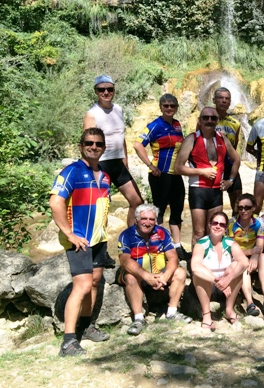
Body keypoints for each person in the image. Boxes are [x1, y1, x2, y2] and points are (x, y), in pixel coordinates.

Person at [50, 127, 112, 356]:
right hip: (78, 239)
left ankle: (86, 327)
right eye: (89, 143)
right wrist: (69, 234)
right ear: (81, 146)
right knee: (83, 285)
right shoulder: (72, 171)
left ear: (103, 148)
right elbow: (56, 202)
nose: (93, 147)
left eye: (98, 144)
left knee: (95, 281)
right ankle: (68, 341)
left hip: (97, 239)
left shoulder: (105, 174)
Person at [117, 204, 191, 336]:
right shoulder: (126, 235)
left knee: (180, 272)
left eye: (151, 219)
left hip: (160, 272)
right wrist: (146, 276)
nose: (147, 223)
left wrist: (165, 276)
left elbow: (173, 257)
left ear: (156, 220)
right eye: (144, 219)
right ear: (136, 220)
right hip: (139, 274)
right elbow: (125, 261)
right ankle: (139, 318)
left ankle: (172, 312)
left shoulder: (162, 232)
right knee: (130, 277)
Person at [175, 106, 240, 249]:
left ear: (217, 121)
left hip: (216, 192)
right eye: (205, 118)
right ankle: (195, 266)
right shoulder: (192, 139)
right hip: (198, 191)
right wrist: (202, 172)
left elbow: (236, 159)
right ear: (200, 120)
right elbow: (178, 167)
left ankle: (212, 264)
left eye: (213, 118)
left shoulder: (222, 139)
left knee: (216, 231)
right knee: (199, 232)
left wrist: (230, 180)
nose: (209, 121)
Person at [83, 74, 143, 226]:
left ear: (114, 90)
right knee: (100, 207)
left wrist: (125, 160)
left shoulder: (118, 109)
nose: (106, 92)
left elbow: (120, 136)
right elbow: (88, 144)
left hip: (118, 163)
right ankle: (98, 246)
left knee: (137, 201)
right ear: (96, 91)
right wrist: (90, 169)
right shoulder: (92, 114)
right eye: (101, 89)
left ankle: (130, 240)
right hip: (101, 164)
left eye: (109, 89)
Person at [133, 94, 186, 260]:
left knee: (177, 210)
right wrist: (150, 165)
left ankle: (176, 246)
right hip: (160, 175)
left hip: (176, 175)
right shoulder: (155, 125)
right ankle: (160, 244)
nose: (169, 108)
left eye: (172, 106)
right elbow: (137, 145)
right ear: (161, 107)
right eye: (166, 106)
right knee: (160, 211)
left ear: (176, 107)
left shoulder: (177, 125)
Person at [191, 211, 249, 329]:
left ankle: (229, 309)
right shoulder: (201, 244)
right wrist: (217, 281)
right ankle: (206, 315)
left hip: (226, 286)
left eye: (222, 224)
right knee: (201, 272)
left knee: (236, 267)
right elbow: (195, 267)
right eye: (215, 223)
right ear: (209, 225)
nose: (218, 226)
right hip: (208, 285)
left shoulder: (230, 243)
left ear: (226, 228)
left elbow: (244, 262)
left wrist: (227, 279)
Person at [228, 194, 264, 317]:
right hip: (238, 255)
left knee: (263, 257)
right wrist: (249, 253)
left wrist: (254, 256)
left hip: (255, 253)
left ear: (254, 208)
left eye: (247, 208)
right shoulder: (232, 223)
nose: (244, 211)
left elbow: (260, 245)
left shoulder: (258, 223)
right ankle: (250, 302)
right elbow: (231, 248)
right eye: (241, 208)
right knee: (242, 263)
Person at [213, 87, 243, 215]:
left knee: (238, 204)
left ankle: (235, 231)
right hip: (213, 167)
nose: (224, 101)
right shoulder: (207, 118)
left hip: (230, 165)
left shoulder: (235, 123)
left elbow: (234, 145)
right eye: (221, 98)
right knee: (214, 206)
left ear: (230, 102)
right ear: (214, 100)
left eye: (227, 98)